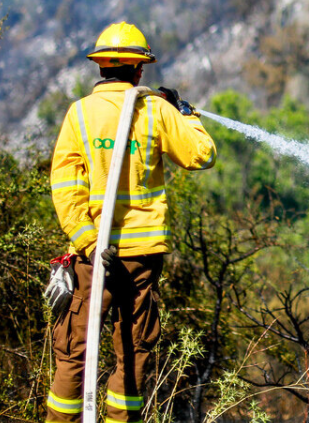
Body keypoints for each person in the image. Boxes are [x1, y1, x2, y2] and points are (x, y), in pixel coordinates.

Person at [46, 22, 216, 423]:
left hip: (92, 259)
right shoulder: (156, 110)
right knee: (134, 350)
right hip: (141, 260)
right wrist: (187, 114)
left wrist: (89, 243)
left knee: (74, 351)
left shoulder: (79, 114)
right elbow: (202, 155)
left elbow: (65, 187)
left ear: (100, 66)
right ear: (139, 70)